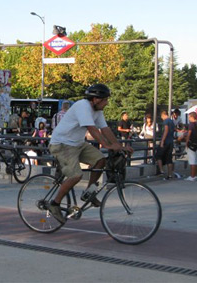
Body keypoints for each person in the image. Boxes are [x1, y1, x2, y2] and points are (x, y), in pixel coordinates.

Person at [46, 84, 133, 224]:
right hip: (61, 145)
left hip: (77, 144)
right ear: (96, 99)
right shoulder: (83, 106)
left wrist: (119, 146)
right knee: (76, 175)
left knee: (100, 160)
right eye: (105, 100)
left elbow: (105, 129)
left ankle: (88, 193)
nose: (107, 103)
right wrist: (107, 145)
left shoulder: (97, 111)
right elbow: (92, 129)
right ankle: (54, 204)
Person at [157, 110, 175, 179]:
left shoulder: (166, 121)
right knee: (169, 158)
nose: (161, 118)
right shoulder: (171, 121)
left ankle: (161, 170)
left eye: (161, 116)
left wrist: (162, 141)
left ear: (163, 115)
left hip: (166, 141)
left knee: (158, 155)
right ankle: (169, 174)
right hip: (171, 141)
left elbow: (166, 130)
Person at [184, 112, 197, 181]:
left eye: (189, 117)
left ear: (192, 117)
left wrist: (186, 143)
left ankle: (192, 176)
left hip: (191, 144)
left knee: (192, 161)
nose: (189, 119)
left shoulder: (191, 124)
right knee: (196, 160)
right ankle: (195, 175)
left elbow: (189, 134)